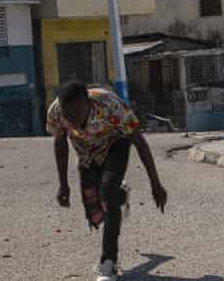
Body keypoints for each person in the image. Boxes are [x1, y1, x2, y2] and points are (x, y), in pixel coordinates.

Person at [48, 82, 168, 281]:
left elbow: (139, 142)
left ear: (88, 102)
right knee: (94, 215)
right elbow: (60, 142)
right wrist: (63, 184)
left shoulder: (110, 104)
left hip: (115, 144)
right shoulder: (56, 112)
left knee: (107, 192)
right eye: (67, 113)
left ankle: (108, 263)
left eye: (76, 112)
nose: (71, 117)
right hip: (86, 151)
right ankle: (119, 195)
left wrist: (155, 184)